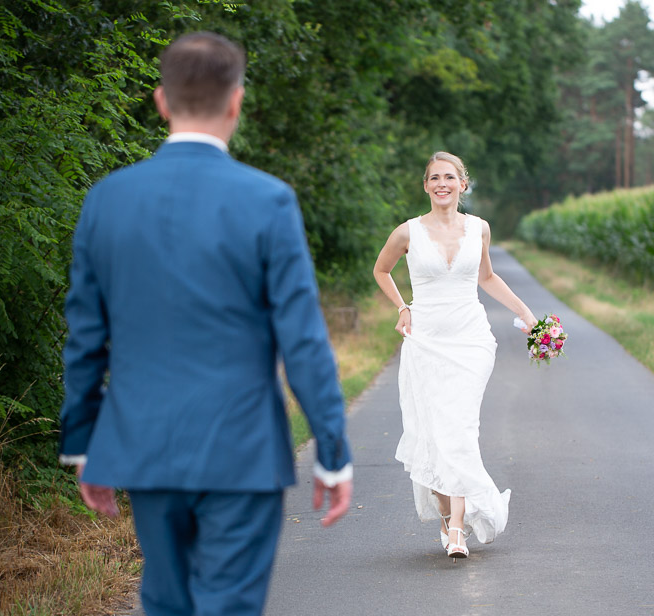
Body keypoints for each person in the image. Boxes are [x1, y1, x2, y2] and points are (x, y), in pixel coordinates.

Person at [58, 32, 352, 616]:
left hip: (145, 444)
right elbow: (302, 340)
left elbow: (85, 337)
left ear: (161, 101)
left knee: (166, 603)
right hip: (242, 448)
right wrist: (332, 450)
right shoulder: (268, 200)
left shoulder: (107, 200)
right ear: (236, 102)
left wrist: (83, 443)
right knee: (230, 605)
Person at [373, 151, 535, 559]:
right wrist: (401, 306)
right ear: (425, 186)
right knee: (431, 433)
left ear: (463, 183)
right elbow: (381, 270)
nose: (442, 184)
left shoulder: (479, 228)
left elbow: (487, 277)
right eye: (434, 178)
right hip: (426, 340)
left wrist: (525, 312)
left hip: (471, 341)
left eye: (450, 177)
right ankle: (447, 515)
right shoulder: (407, 232)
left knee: (459, 429)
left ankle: (459, 528)